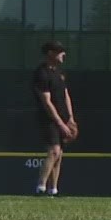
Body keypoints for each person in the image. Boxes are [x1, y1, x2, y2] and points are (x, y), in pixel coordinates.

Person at [32, 41, 77, 195]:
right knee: (54, 151)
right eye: (60, 51)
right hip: (49, 118)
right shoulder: (41, 73)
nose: (63, 54)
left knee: (59, 155)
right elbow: (46, 102)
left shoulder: (58, 72)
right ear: (50, 53)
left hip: (63, 118)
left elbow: (66, 96)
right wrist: (60, 123)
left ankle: (53, 190)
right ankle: (40, 187)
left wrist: (70, 119)